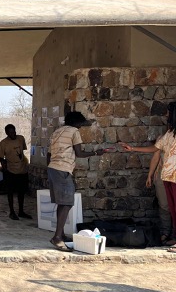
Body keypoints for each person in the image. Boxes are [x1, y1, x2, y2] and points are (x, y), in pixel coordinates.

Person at [119, 102, 176, 250]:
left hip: (171, 178)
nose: (166, 115)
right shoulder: (169, 135)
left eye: (168, 113)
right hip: (168, 177)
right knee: (170, 207)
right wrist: (132, 148)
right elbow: (155, 149)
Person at [47, 111, 105, 251]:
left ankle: (61, 234)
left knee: (62, 203)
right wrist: (96, 153)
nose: (81, 127)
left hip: (52, 168)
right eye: (80, 124)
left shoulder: (56, 132)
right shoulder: (74, 131)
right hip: (63, 169)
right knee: (67, 203)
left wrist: (50, 169)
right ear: (76, 122)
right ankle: (57, 238)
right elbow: (79, 153)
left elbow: (48, 154)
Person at [0, 124, 32, 220]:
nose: (13, 134)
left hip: (22, 169)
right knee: (10, 192)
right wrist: (5, 168)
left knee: (22, 191)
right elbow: (1, 157)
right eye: (11, 132)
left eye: (14, 131)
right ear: (7, 133)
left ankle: (21, 211)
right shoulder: (3, 143)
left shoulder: (21, 138)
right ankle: (12, 212)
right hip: (10, 170)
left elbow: (22, 152)